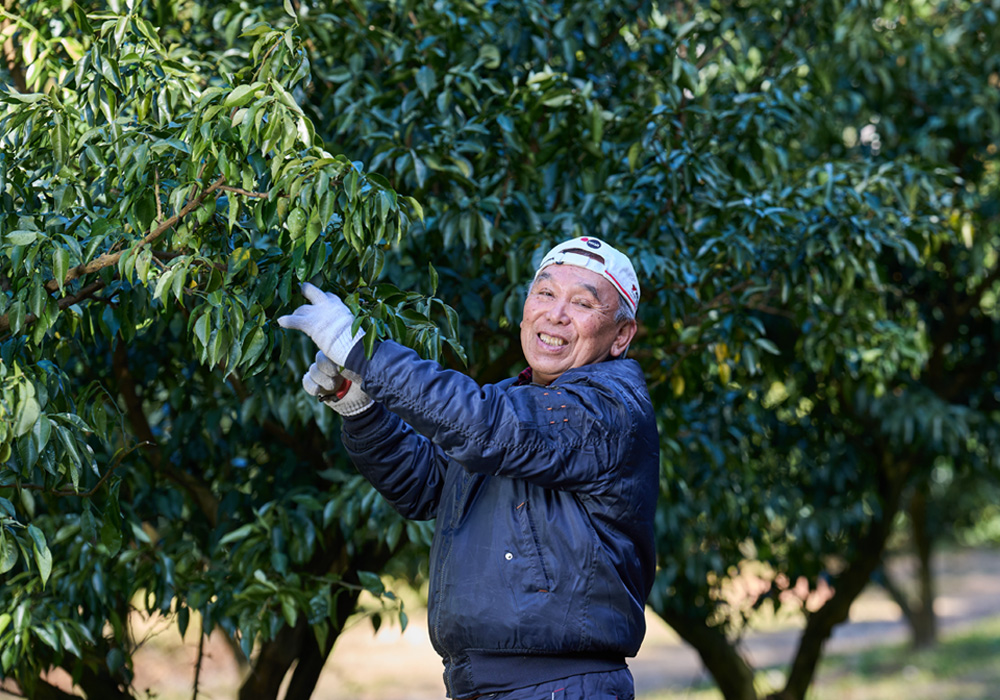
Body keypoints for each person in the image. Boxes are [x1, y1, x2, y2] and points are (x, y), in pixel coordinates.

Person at [278, 236, 659, 700]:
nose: (555, 314)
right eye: (544, 293)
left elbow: (486, 426)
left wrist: (361, 350)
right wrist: (359, 406)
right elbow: (423, 486)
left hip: (559, 687)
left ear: (620, 336)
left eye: (582, 303)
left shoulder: (607, 409)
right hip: (480, 685)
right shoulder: (511, 406)